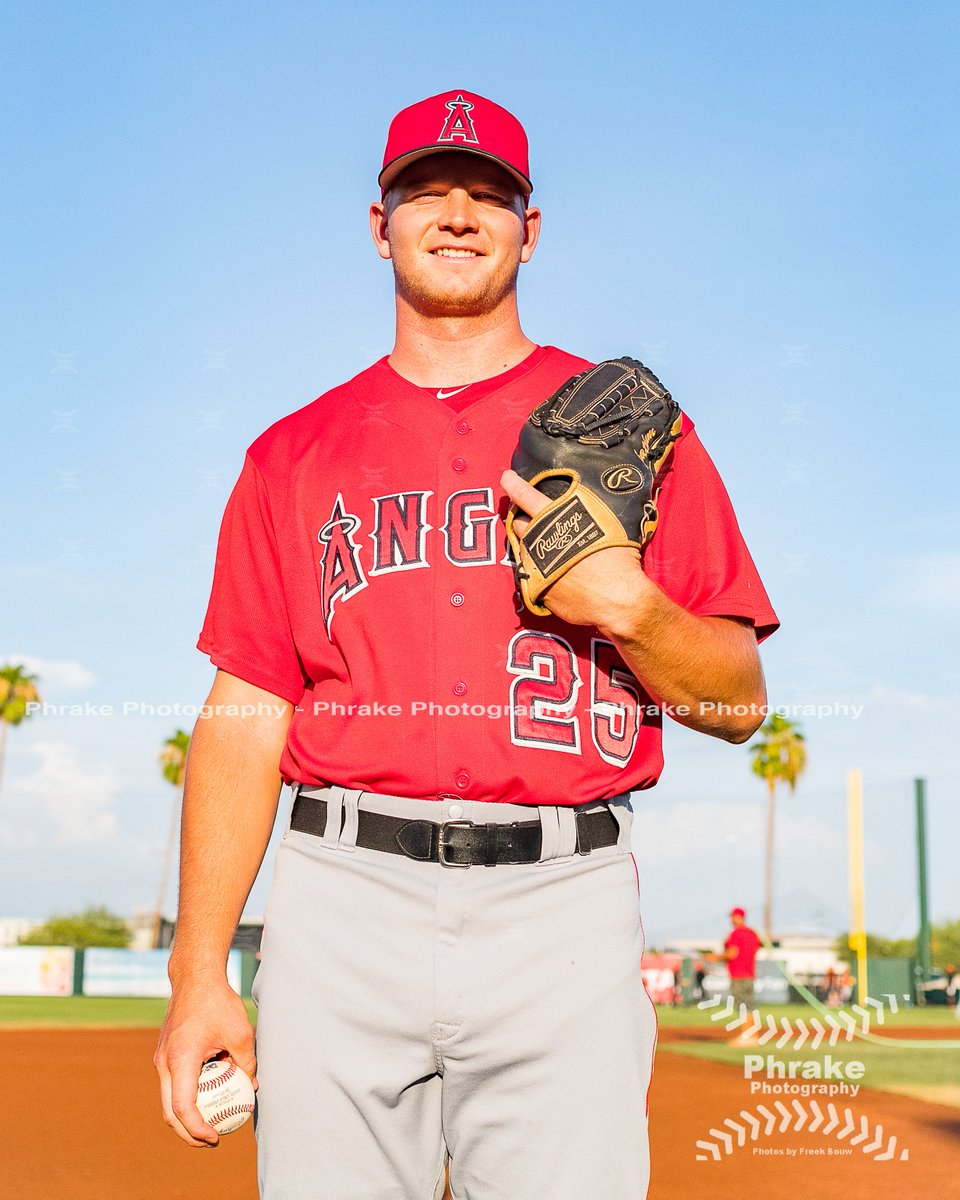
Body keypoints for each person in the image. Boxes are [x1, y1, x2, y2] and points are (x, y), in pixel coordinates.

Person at [154, 88, 779, 1200]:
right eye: (425, 191)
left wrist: (633, 608)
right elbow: (247, 712)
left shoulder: (634, 433)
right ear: (378, 221)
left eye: (488, 194)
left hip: (563, 905)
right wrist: (199, 967)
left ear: (529, 229)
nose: (455, 213)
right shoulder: (290, 456)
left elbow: (738, 707)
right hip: (340, 903)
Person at [718, 906, 763, 1011]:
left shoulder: (735, 933)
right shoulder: (753, 933)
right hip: (749, 974)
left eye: (732, 917)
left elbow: (732, 954)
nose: (731, 920)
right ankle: (750, 1027)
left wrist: (715, 957)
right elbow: (757, 948)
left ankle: (745, 1028)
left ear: (738, 917)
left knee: (742, 1008)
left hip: (738, 974)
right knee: (749, 1007)